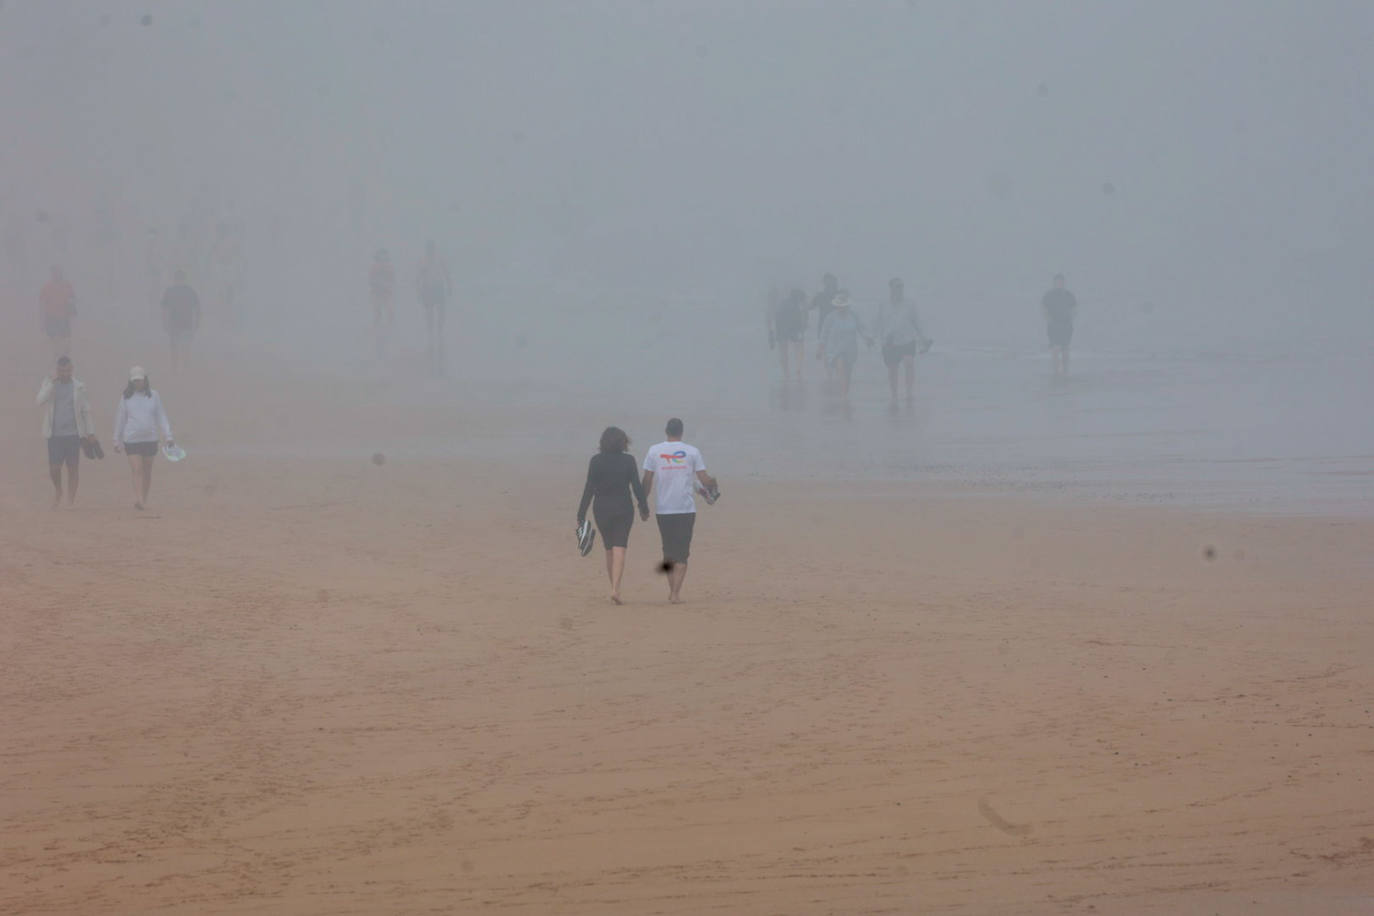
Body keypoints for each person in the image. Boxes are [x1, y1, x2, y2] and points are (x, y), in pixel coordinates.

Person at [642, 418, 717, 604]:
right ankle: (675, 593)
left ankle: (672, 591)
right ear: (681, 432)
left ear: (666, 431)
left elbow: (647, 480)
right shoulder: (692, 451)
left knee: (668, 552)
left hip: (663, 509)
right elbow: (704, 478)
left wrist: (642, 504)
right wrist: (713, 485)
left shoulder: (654, 450)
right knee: (683, 552)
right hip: (685, 509)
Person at [577, 426, 650, 605]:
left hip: (601, 509)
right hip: (623, 508)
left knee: (609, 549)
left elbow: (589, 488)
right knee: (620, 548)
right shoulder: (628, 460)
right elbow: (636, 487)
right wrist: (644, 507)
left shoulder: (595, 461)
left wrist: (581, 513)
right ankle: (615, 589)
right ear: (623, 442)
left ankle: (614, 588)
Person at [36, 355, 95, 509]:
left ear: (72, 369)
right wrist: (51, 384)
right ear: (57, 370)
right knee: (54, 468)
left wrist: (90, 432)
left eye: (67, 370)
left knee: (73, 467)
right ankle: (58, 490)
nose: (65, 373)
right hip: (54, 434)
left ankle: (70, 500)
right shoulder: (49, 383)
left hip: (74, 434)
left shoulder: (79, 386)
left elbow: (86, 410)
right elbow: (39, 401)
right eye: (61, 371)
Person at [113, 366, 174, 510]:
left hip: (150, 439)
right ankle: (139, 498)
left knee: (147, 470)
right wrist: (117, 440)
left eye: (139, 380)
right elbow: (120, 419)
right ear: (131, 382)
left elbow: (161, 416)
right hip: (131, 439)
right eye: (134, 381)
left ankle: (144, 498)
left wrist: (168, 436)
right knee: (137, 469)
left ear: (145, 380)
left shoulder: (154, 395)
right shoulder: (126, 397)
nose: (137, 383)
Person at [875, 277, 931, 402]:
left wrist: (924, 338)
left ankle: (909, 392)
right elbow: (878, 323)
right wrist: (875, 339)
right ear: (891, 288)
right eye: (897, 286)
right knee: (893, 370)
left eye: (901, 286)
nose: (900, 289)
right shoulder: (883, 304)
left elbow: (917, 323)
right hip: (890, 342)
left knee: (909, 363)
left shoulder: (910, 304)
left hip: (907, 340)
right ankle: (894, 394)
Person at [816, 291, 872, 398]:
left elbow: (861, 328)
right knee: (840, 366)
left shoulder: (853, 316)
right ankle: (843, 395)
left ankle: (845, 392)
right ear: (836, 306)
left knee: (848, 372)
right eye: (839, 306)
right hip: (835, 349)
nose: (842, 308)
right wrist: (820, 348)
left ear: (848, 306)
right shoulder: (830, 317)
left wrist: (867, 338)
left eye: (844, 306)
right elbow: (824, 333)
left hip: (850, 349)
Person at [416, 240, 452, 375]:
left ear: (434, 249)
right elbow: (419, 276)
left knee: (441, 310)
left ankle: (439, 332)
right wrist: (418, 288)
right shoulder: (423, 261)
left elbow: (446, 273)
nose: (430, 250)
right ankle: (432, 333)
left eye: (432, 248)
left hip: (438, 287)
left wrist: (449, 286)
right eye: (429, 248)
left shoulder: (439, 259)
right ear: (427, 249)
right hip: (428, 288)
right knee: (429, 311)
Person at [161, 270, 202, 371]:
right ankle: (185, 367)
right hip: (186, 323)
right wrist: (197, 322)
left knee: (175, 347)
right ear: (184, 279)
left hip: (174, 323)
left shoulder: (170, 291)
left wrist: (164, 322)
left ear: (175, 279)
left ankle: (175, 368)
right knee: (185, 347)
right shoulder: (190, 291)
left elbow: (164, 309)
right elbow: (197, 308)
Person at [1042, 273, 1078, 377]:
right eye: (1057, 282)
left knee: (1065, 349)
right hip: (1053, 325)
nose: (1059, 284)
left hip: (1066, 325)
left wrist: (1071, 318)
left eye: (1061, 282)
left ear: (1064, 283)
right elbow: (1043, 308)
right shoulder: (1049, 295)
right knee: (1055, 349)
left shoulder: (1069, 295)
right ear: (1054, 283)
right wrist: (1048, 319)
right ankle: (1056, 371)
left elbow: (1074, 309)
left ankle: (1066, 371)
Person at [769, 288, 808, 380]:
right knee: (798, 348)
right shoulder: (795, 306)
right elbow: (797, 320)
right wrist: (801, 328)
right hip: (791, 330)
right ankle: (798, 369)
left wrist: (773, 333)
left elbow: (776, 317)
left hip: (781, 330)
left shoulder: (783, 303)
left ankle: (786, 372)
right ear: (798, 298)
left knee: (783, 352)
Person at [39, 266, 76, 358]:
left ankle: (63, 352)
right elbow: (42, 302)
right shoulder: (47, 287)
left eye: (58, 272)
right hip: (51, 316)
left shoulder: (66, 285)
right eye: (54, 272)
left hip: (63, 316)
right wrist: (42, 317)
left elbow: (72, 298)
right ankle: (56, 353)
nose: (56, 274)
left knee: (64, 336)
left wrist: (71, 309)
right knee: (53, 336)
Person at [369, 248, 396, 358]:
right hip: (376, 293)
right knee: (378, 314)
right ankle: (377, 334)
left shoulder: (389, 268)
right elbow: (370, 281)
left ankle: (389, 333)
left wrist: (387, 286)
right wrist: (378, 285)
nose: (383, 259)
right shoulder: (374, 268)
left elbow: (393, 280)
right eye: (381, 257)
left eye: (385, 257)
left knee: (390, 313)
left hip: (387, 293)